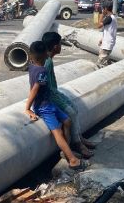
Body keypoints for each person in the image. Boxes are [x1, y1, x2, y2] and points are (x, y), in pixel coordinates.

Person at [24, 41, 84, 170]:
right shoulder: (43, 71)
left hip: (49, 104)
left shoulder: (32, 66)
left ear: (31, 55)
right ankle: (72, 160)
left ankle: (66, 152)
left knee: (67, 121)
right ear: (46, 54)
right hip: (43, 108)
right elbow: (35, 89)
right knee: (57, 132)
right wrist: (28, 108)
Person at [42, 31, 96, 159]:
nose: (61, 46)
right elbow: (47, 87)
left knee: (74, 108)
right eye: (60, 44)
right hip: (50, 96)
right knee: (71, 112)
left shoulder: (48, 59)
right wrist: (58, 100)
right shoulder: (47, 62)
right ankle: (76, 143)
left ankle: (79, 137)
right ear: (55, 47)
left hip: (54, 92)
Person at [96, 0, 117, 67]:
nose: (102, 10)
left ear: (106, 9)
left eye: (103, 9)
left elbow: (98, 26)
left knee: (100, 64)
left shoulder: (109, 18)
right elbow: (109, 31)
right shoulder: (113, 17)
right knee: (105, 61)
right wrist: (102, 39)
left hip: (107, 45)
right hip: (108, 42)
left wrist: (102, 15)